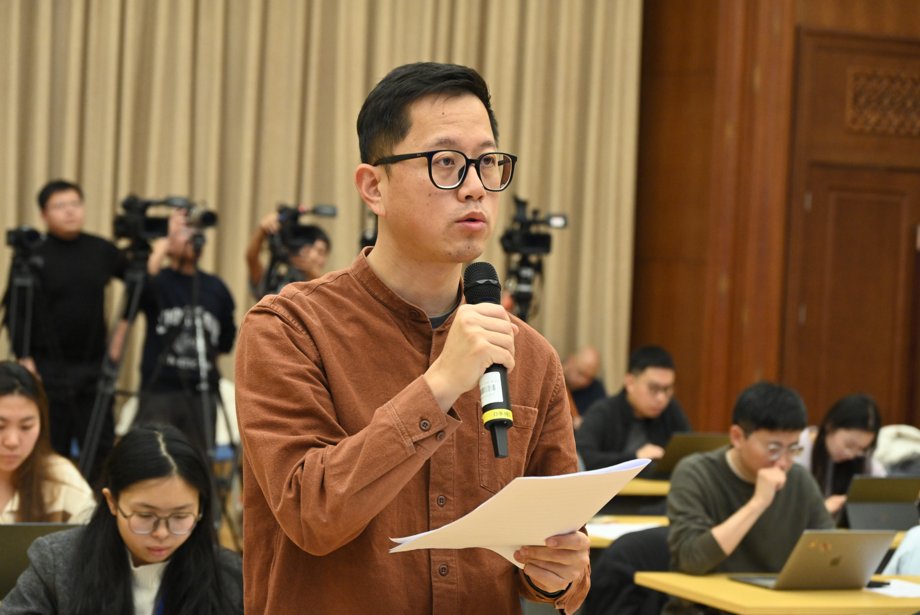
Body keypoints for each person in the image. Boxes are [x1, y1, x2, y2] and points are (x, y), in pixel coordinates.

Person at [235, 62, 590, 614]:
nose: (475, 187)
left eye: (488, 162)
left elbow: (562, 557)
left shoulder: (532, 355)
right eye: (446, 162)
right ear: (374, 187)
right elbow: (311, 515)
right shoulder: (288, 328)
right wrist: (440, 384)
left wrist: (557, 574)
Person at [0, 424, 243, 614]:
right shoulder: (57, 562)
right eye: (145, 515)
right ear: (112, 502)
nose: (162, 532)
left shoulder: (229, 576)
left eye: (180, 516)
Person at [664, 382, 835, 615]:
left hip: (775, 608)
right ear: (737, 437)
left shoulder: (799, 480)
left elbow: (831, 553)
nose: (783, 461)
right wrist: (758, 503)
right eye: (773, 448)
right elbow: (692, 559)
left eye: (793, 448)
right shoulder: (695, 473)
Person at [1, 180, 124, 479]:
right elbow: (15, 311)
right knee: (52, 446)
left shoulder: (101, 249)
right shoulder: (32, 252)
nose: (70, 211)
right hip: (47, 370)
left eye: (75, 204)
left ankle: (98, 505)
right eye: (60, 206)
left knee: (101, 448)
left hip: (94, 368)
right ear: (43, 214)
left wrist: (120, 335)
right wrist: (25, 359)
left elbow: (140, 283)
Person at [129, 208, 236, 455]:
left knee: (197, 460)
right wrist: (160, 250)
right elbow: (135, 297)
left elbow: (226, 340)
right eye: (183, 232)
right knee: (151, 456)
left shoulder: (216, 287)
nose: (193, 238)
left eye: (197, 233)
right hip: (159, 388)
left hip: (202, 391)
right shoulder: (159, 279)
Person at [0, 361, 94, 523]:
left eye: (26, 427)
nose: (12, 441)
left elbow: (95, 535)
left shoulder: (60, 478)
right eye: (0, 426)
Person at [575, 345, 689, 472]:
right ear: (630, 383)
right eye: (653, 388)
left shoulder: (671, 410)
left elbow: (689, 453)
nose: (661, 398)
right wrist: (635, 459)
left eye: (667, 389)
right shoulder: (603, 412)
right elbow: (582, 458)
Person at [794, 393, 885, 515]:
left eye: (862, 448)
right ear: (830, 425)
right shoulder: (797, 450)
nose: (852, 454)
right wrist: (822, 510)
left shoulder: (864, 462)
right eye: (849, 445)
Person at [244, 211, 330, 300]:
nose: (313, 256)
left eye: (320, 251)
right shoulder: (274, 279)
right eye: (309, 248)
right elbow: (252, 259)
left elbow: (326, 300)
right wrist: (262, 230)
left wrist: (314, 276)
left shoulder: (327, 290)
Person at [563, 346, 607, 425]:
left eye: (588, 377)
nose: (582, 381)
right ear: (570, 361)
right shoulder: (552, 377)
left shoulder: (596, 388)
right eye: (580, 373)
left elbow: (602, 419)